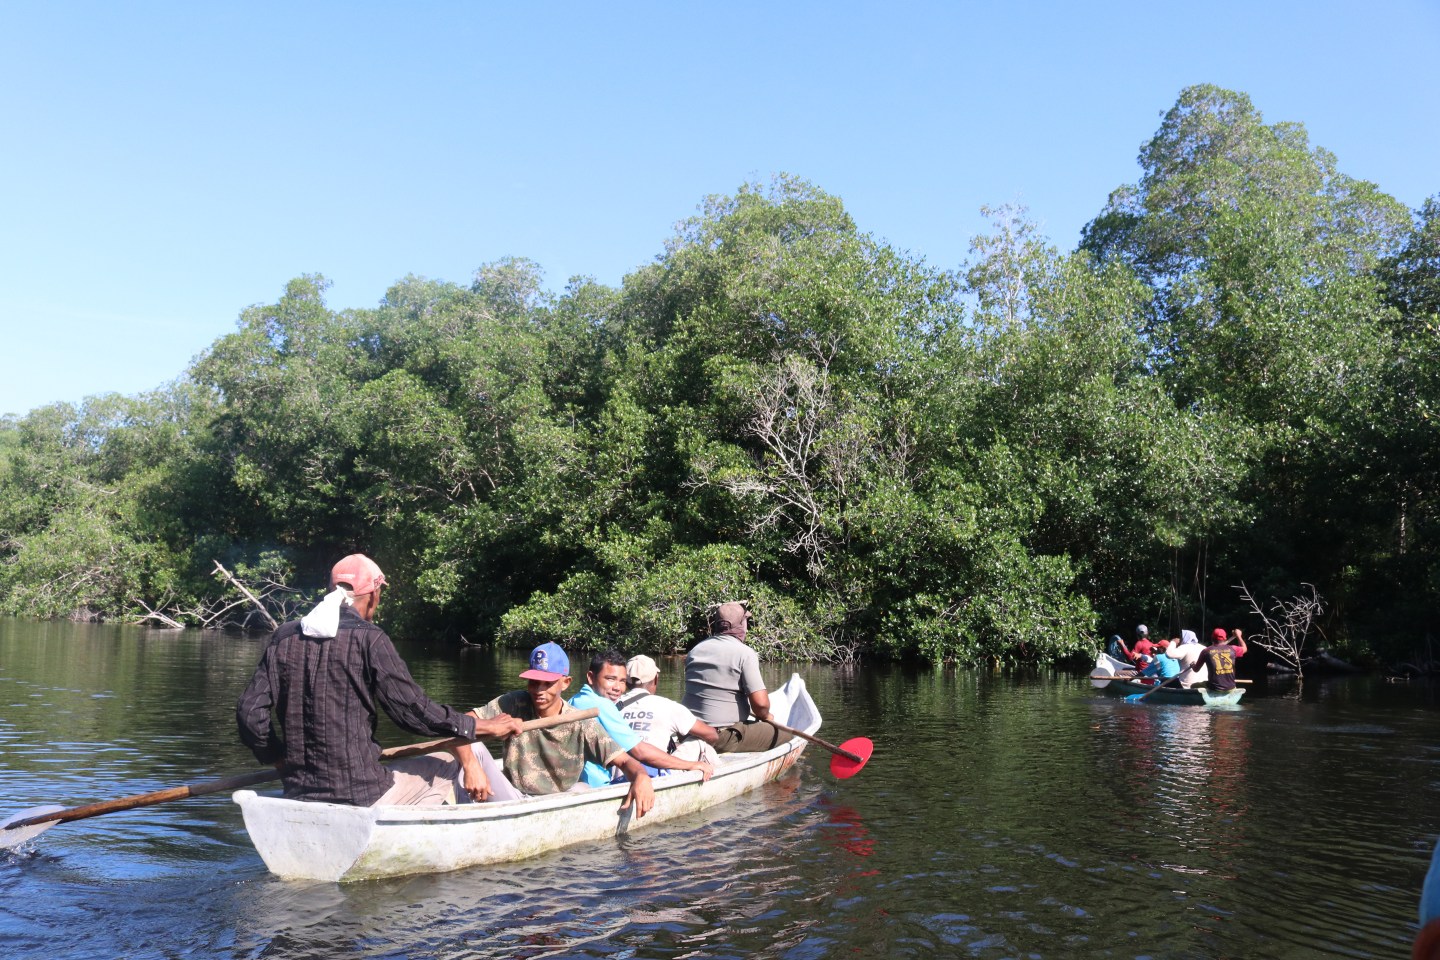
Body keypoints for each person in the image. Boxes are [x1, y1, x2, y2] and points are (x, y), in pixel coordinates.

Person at [236, 554, 522, 807]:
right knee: (448, 762)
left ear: (330, 590)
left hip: (297, 789)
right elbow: (413, 713)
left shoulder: (284, 636)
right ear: (373, 595)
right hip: (361, 792)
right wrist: (479, 726)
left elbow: (250, 713)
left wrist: (276, 757)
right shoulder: (370, 638)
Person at [469, 642, 655, 816]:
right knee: (471, 746)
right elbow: (462, 724)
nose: (538, 690)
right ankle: (469, 815)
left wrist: (641, 776)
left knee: (583, 788)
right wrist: (490, 731)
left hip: (557, 804)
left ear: (565, 683)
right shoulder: (514, 703)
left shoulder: (581, 723)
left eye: (547, 683)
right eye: (534, 682)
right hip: (513, 798)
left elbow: (624, 761)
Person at [570, 648, 716, 784]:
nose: (617, 688)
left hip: (588, 778)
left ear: (628, 682)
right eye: (610, 679)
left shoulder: (574, 700)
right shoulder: (603, 705)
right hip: (602, 784)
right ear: (591, 677)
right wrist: (691, 765)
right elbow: (640, 751)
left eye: (622, 681)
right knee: (699, 743)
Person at [682, 600, 793, 753]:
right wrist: (766, 716)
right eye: (746, 621)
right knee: (787, 735)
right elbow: (760, 705)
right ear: (740, 625)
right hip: (719, 738)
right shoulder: (744, 653)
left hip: (688, 732)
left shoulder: (695, 651)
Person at [616, 654, 721, 772]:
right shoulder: (667, 706)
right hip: (655, 774)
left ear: (626, 682)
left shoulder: (612, 706)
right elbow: (711, 735)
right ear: (656, 679)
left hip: (621, 772)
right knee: (698, 742)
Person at [1199, 627, 1247, 691]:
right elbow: (1244, 648)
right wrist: (1239, 636)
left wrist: (1192, 665)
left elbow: (1196, 670)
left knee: (1193, 685)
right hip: (1231, 687)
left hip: (1214, 688)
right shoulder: (1233, 649)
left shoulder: (1206, 651)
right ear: (1225, 638)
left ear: (1212, 639)